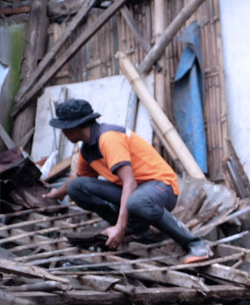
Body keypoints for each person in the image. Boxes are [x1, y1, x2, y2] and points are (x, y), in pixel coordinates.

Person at [44, 99, 212, 264]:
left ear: (71, 129)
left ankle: (195, 243)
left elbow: (129, 183)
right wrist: (56, 193)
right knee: (76, 188)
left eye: (63, 129)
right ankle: (137, 229)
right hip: (135, 192)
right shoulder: (88, 148)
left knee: (137, 202)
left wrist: (119, 227)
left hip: (161, 186)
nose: (63, 133)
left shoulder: (108, 138)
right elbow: (79, 179)